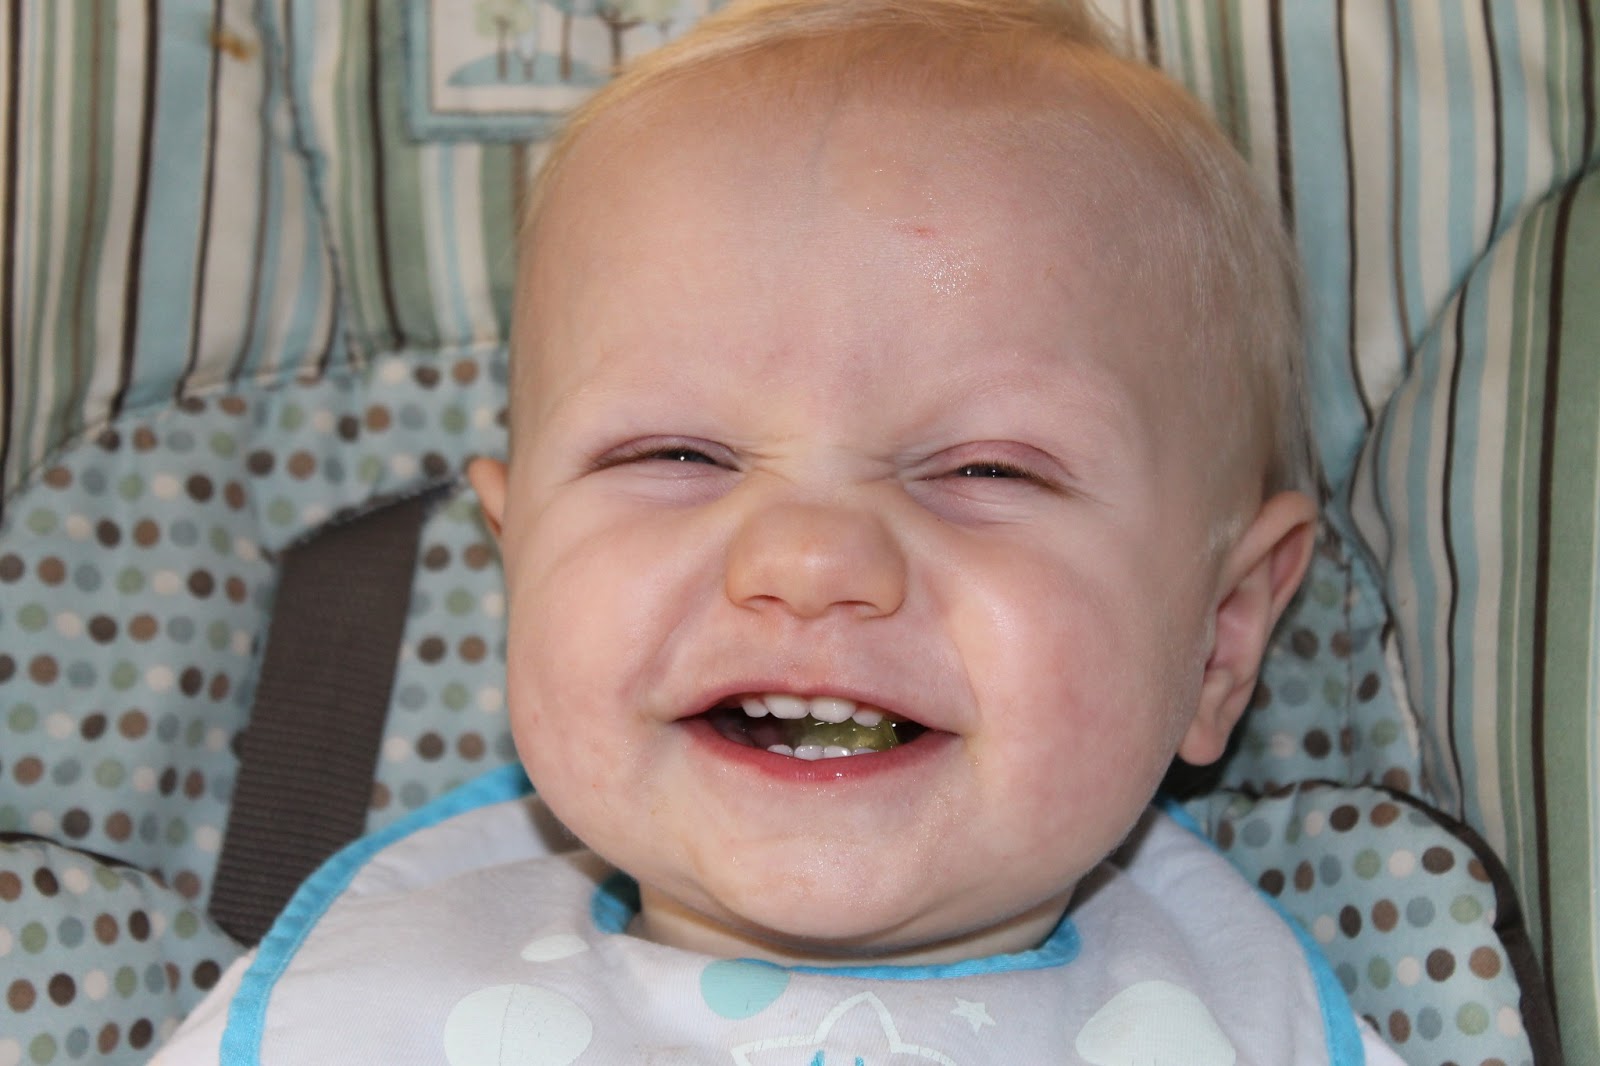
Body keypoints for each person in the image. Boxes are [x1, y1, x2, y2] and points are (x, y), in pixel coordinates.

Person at [156, 0, 1407, 1061]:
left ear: (1219, 636)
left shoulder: (1251, 1022)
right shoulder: (361, 1005)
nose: (809, 560)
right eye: (678, 454)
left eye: (984, 468)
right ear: (516, 557)